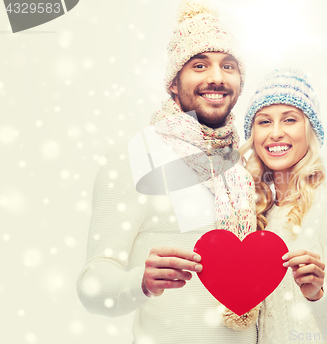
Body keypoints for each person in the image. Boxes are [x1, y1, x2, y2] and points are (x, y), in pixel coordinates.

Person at [76, 1, 259, 343]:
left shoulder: (244, 165)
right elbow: (91, 285)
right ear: (174, 82)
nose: (216, 78)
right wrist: (139, 283)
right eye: (200, 65)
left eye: (228, 66)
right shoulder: (132, 157)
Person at [240, 69, 327, 343]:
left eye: (289, 119)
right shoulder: (255, 215)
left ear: (309, 129)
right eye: (264, 121)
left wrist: (318, 295)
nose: (275, 133)